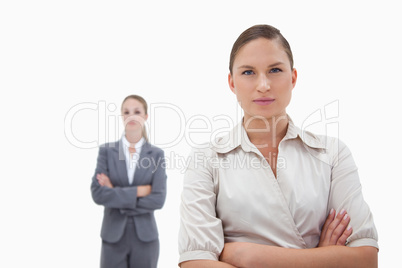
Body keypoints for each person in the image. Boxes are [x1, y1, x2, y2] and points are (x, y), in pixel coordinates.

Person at [178, 25, 378, 267]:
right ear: (232, 83)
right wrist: (323, 259)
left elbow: (366, 258)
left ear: (293, 78)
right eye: (248, 72)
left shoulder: (332, 153)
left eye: (275, 70)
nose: (263, 84)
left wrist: (245, 256)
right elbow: (195, 262)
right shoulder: (206, 159)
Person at [91, 95, 167, 268]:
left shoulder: (156, 155)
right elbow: (97, 193)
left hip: (145, 238)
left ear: (146, 117)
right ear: (122, 116)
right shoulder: (106, 151)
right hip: (113, 237)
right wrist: (139, 191)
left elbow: (158, 199)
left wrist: (114, 191)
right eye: (127, 112)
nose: (131, 116)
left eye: (137, 112)